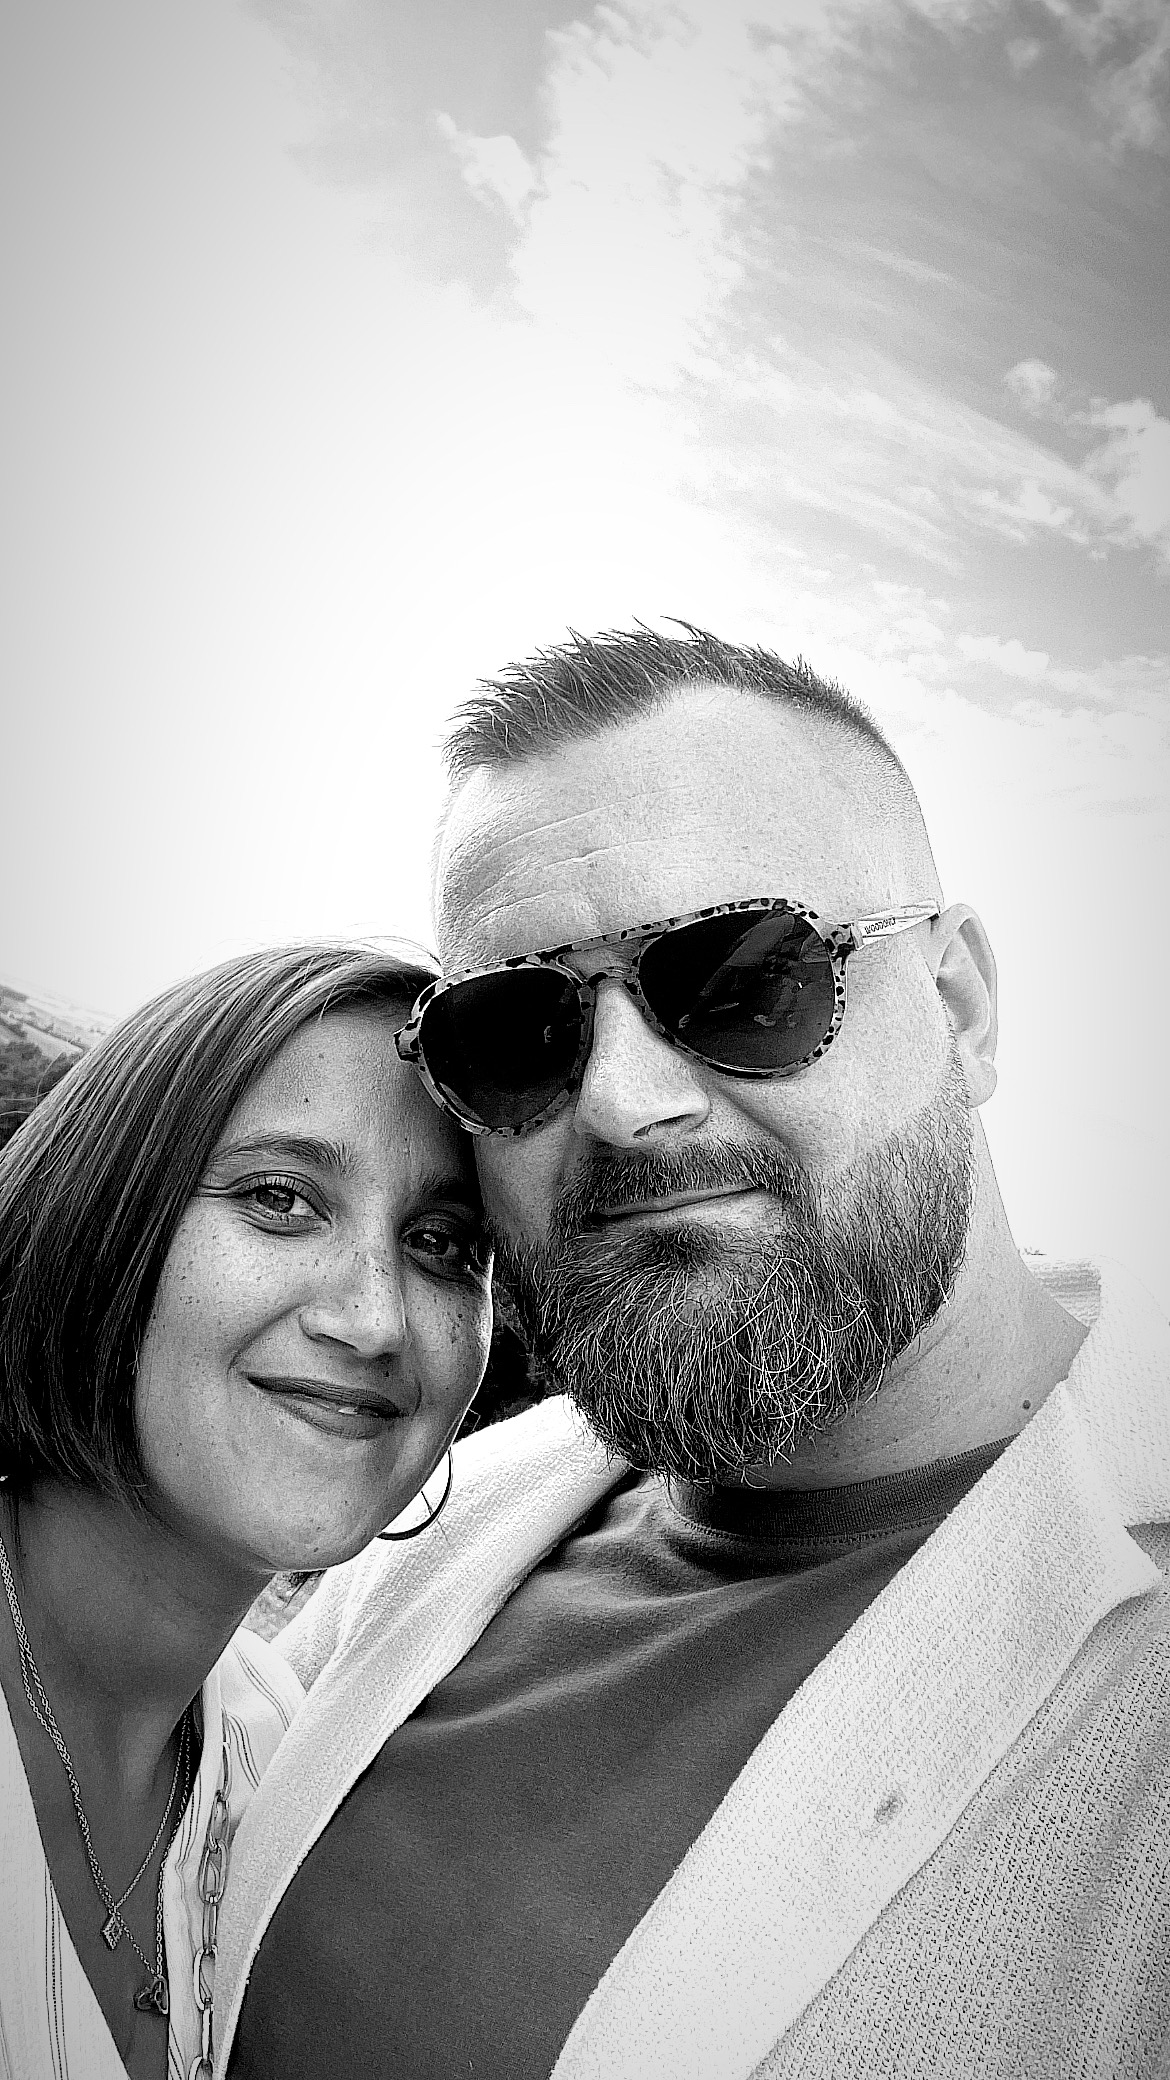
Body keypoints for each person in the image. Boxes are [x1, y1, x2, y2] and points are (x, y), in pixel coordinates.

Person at [220, 629, 1170, 2080]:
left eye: (739, 979)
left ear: (961, 1009)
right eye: (517, 1028)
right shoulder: (435, 1520)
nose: (622, 1100)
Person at [0, 940, 493, 2080]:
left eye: (441, 1244)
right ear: (102, 1207)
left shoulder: (287, 1770)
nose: (373, 1319)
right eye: (279, 1198)